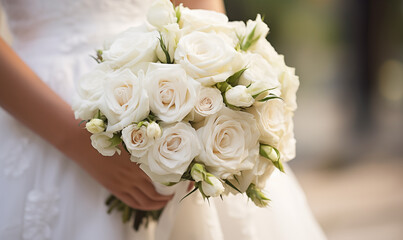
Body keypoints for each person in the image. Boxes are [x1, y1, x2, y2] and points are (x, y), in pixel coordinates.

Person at [0, 0, 326, 239]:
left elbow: (201, 8)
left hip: (172, 68)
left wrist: (206, 113)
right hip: (43, 105)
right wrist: (78, 141)